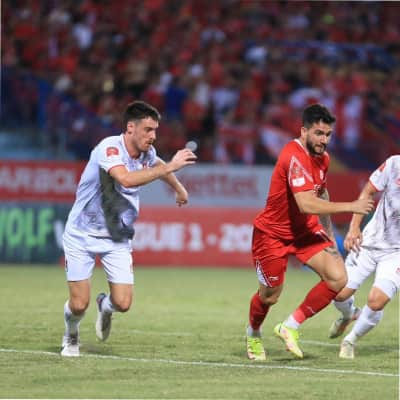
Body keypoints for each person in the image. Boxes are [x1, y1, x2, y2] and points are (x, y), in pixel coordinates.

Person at [61, 100, 196, 357]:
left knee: (123, 303)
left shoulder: (147, 153)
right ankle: (71, 334)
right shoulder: (109, 148)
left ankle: (105, 305)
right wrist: (172, 166)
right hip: (81, 234)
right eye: (148, 130)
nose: (153, 136)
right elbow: (125, 179)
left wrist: (179, 188)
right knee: (78, 305)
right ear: (130, 128)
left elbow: (157, 163)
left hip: (116, 236)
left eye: (155, 130)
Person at [245, 103, 375, 361]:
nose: (323, 140)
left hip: (305, 232)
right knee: (270, 296)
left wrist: (328, 234)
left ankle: (289, 326)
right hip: (273, 234)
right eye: (318, 133)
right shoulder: (293, 156)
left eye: (328, 134)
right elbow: (306, 204)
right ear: (303, 131)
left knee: (338, 278)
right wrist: (351, 206)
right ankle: (253, 333)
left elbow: (321, 193)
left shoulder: (323, 159)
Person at [328, 155, 400, 359]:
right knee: (338, 292)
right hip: (369, 242)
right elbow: (368, 191)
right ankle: (349, 313)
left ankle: (350, 340)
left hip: (396, 253)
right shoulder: (394, 164)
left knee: (377, 301)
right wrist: (354, 228)